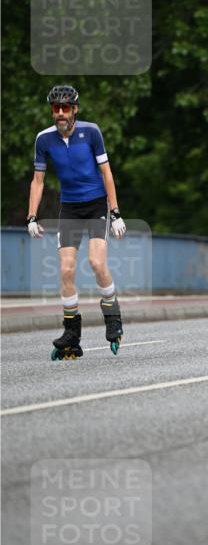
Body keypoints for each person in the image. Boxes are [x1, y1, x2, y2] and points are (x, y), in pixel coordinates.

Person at [27, 85, 127, 358]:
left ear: (75, 109)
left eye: (65, 108)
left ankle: (113, 313)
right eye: (55, 108)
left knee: (96, 263)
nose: (60, 113)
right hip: (70, 207)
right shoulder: (44, 140)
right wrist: (32, 216)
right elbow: (38, 181)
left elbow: (107, 174)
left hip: (96, 204)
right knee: (67, 269)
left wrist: (115, 212)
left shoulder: (91, 132)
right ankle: (72, 333)